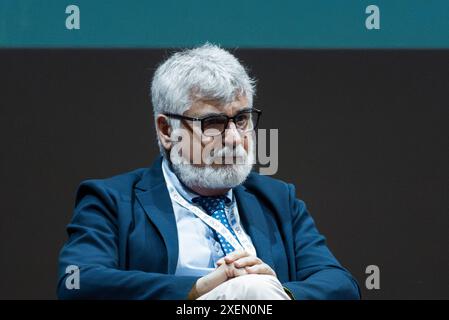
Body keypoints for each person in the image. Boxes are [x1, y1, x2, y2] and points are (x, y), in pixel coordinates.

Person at [57, 43, 360, 300]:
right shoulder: (113, 200)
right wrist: (197, 289)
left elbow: (341, 285)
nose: (232, 138)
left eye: (241, 119)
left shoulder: (278, 199)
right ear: (166, 130)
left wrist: (278, 292)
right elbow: (78, 281)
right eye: (212, 123)